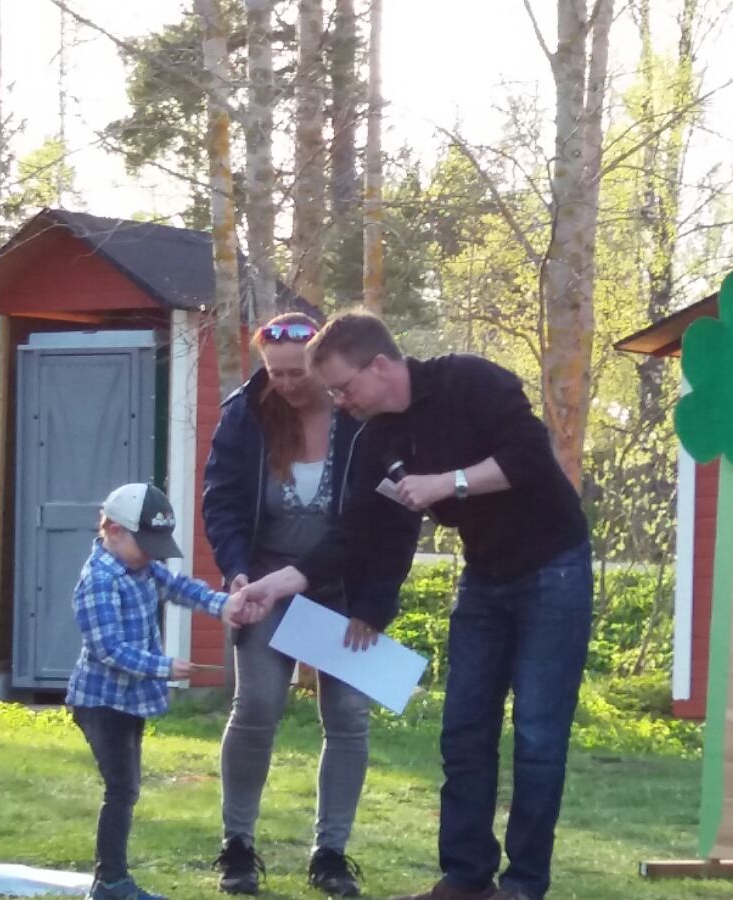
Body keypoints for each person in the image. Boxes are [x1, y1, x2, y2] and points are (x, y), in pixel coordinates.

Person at [236, 311, 593, 900]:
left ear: (379, 366)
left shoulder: (470, 381)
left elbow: (530, 457)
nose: (340, 402)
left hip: (553, 569)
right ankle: (466, 877)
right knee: (464, 731)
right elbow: (356, 532)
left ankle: (524, 885)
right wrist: (277, 585)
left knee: (536, 734)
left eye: (344, 387)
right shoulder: (379, 439)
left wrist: (446, 483)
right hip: (485, 577)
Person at [202, 311, 393, 897]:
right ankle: (237, 846)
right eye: (274, 373)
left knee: (349, 716)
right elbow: (222, 501)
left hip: (342, 591)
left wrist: (373, 604)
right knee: (257, 704)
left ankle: (330, 854)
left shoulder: (359, 417)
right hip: (267, 585)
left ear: (320, 364)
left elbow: (387, 520)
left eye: (296, 373)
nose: (284, 384)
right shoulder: (246, 415)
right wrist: (237, 570)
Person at [67, 482, 244, 900]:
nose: (151, 555)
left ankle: (111, 880)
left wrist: (223, 605)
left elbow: (180, 588)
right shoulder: (99, 580)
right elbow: (108, 649)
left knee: (126, 788)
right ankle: (110, 883)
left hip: (128, 702)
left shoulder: (142, 569)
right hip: (100, 703)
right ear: (113, 531)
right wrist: (163, 668)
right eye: (145, 545)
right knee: (121, 789)